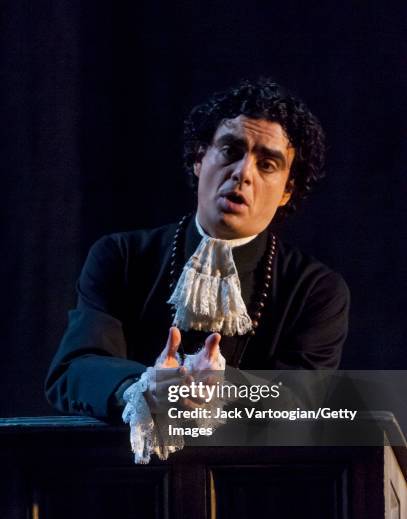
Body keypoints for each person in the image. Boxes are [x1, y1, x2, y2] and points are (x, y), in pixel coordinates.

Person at [45, 78, 350, 461]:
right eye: (230, 150)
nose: (243, 173)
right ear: (199, 157)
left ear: (287, 189)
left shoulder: (316, 289)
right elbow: (74, 368)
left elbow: (304, 401)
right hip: (122, 482)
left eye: (267, 164)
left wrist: (221, 389)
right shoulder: (120, 257)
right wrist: (143, 387)